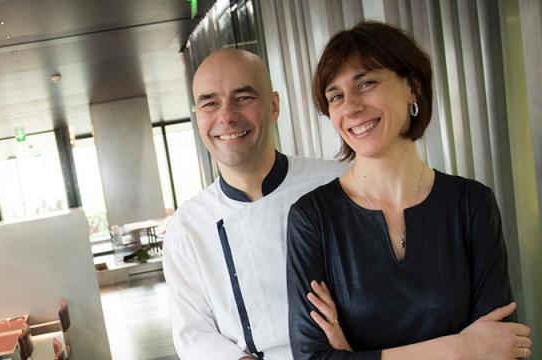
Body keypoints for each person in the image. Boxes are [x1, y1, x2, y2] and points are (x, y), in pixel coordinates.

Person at [286, 21, 532, 359]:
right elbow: (312, 357)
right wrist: (460, 348)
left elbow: (503, 348)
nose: (351, 107)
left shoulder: (471, 204)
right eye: (335, 96)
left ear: (412, 87)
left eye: (367, 83)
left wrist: (353, 354)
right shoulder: (313, 218)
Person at [162, 48, 347, 359]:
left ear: (274, 106)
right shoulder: (188, 226)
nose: (226, 116)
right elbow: (192, 332)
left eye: (243, 98)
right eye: (209, 103)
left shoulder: (339, 184)